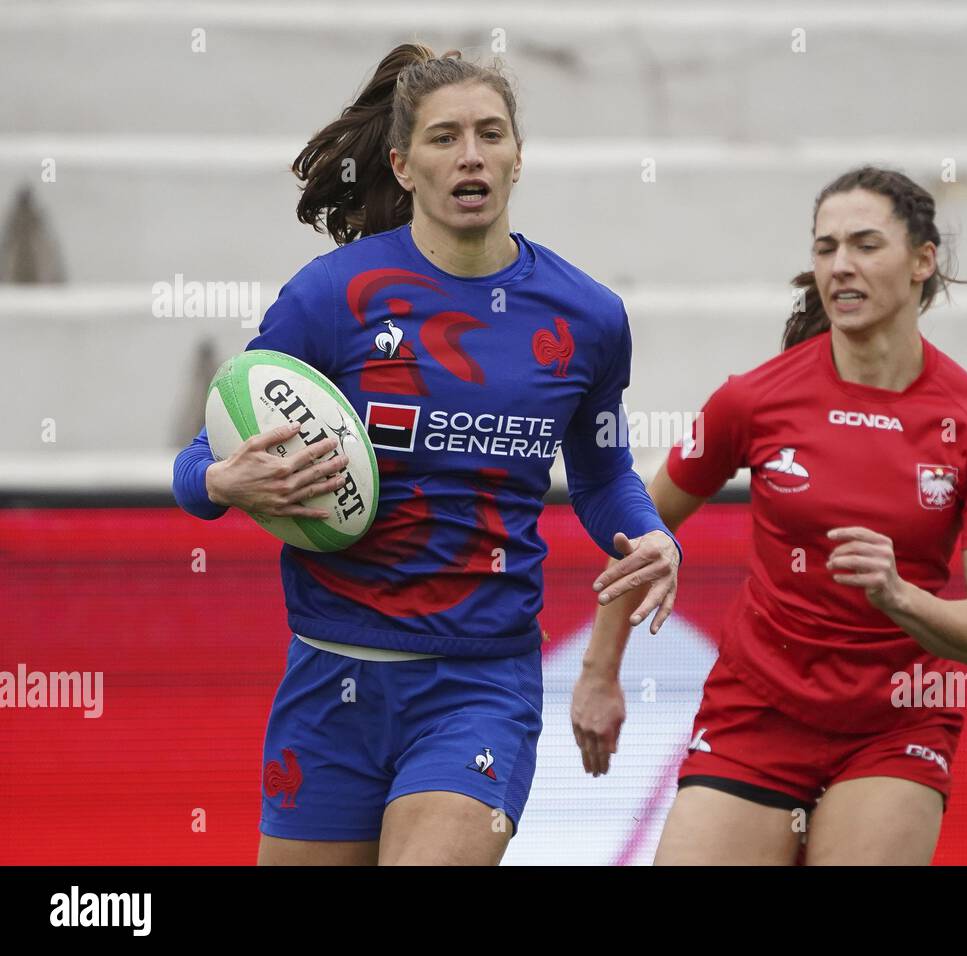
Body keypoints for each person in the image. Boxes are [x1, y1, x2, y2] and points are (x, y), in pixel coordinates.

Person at [172, 44, 681, 866]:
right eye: (445, 138)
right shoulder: (332, 296)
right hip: (329, 681)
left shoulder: (588, 318)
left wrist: (654, 534)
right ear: (405, 166)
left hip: (480, 685)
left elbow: (603, 475)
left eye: (491, 133)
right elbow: (195, 467)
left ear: (519, 156)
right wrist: (226, 480)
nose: (471, 154)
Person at [572, 166, 967, 865]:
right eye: (825, 248)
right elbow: (638, 528)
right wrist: (600, 674)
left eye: (865, 244)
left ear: (922, 261)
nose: (840, 265)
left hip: (895, 722)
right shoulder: (754, 400)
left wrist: (898, 596)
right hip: (757, 709)